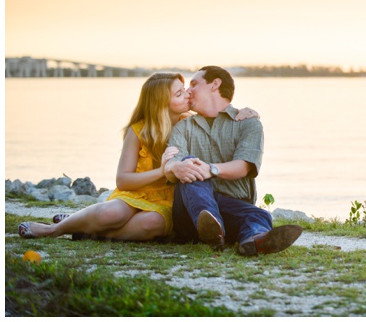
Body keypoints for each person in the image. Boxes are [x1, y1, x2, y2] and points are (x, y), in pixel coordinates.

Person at [18, 72, 257, 241]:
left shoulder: (189, 125)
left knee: (151, 223)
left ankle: (84, 229)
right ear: (161, 102)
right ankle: (54, 230)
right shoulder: (138, 131)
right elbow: (123, 181)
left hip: (169, 200)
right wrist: (162, 172)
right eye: (179, 93)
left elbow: (217, 115)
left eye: (186, 90)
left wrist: (245, 112)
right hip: (136, 192)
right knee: (113, 213)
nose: (187, 96)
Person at [164, 65, 302, 256]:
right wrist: (176, 166)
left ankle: (253, 241)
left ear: (215, 84)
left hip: (233, 208)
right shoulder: (183, 127)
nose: (188, 91)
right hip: (190, 211)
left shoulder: (248, 123)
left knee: (259, 214)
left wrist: (209, 169)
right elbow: (172, 162)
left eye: (194, 84)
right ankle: (211, 225)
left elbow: (244, 166)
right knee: (188, 163)